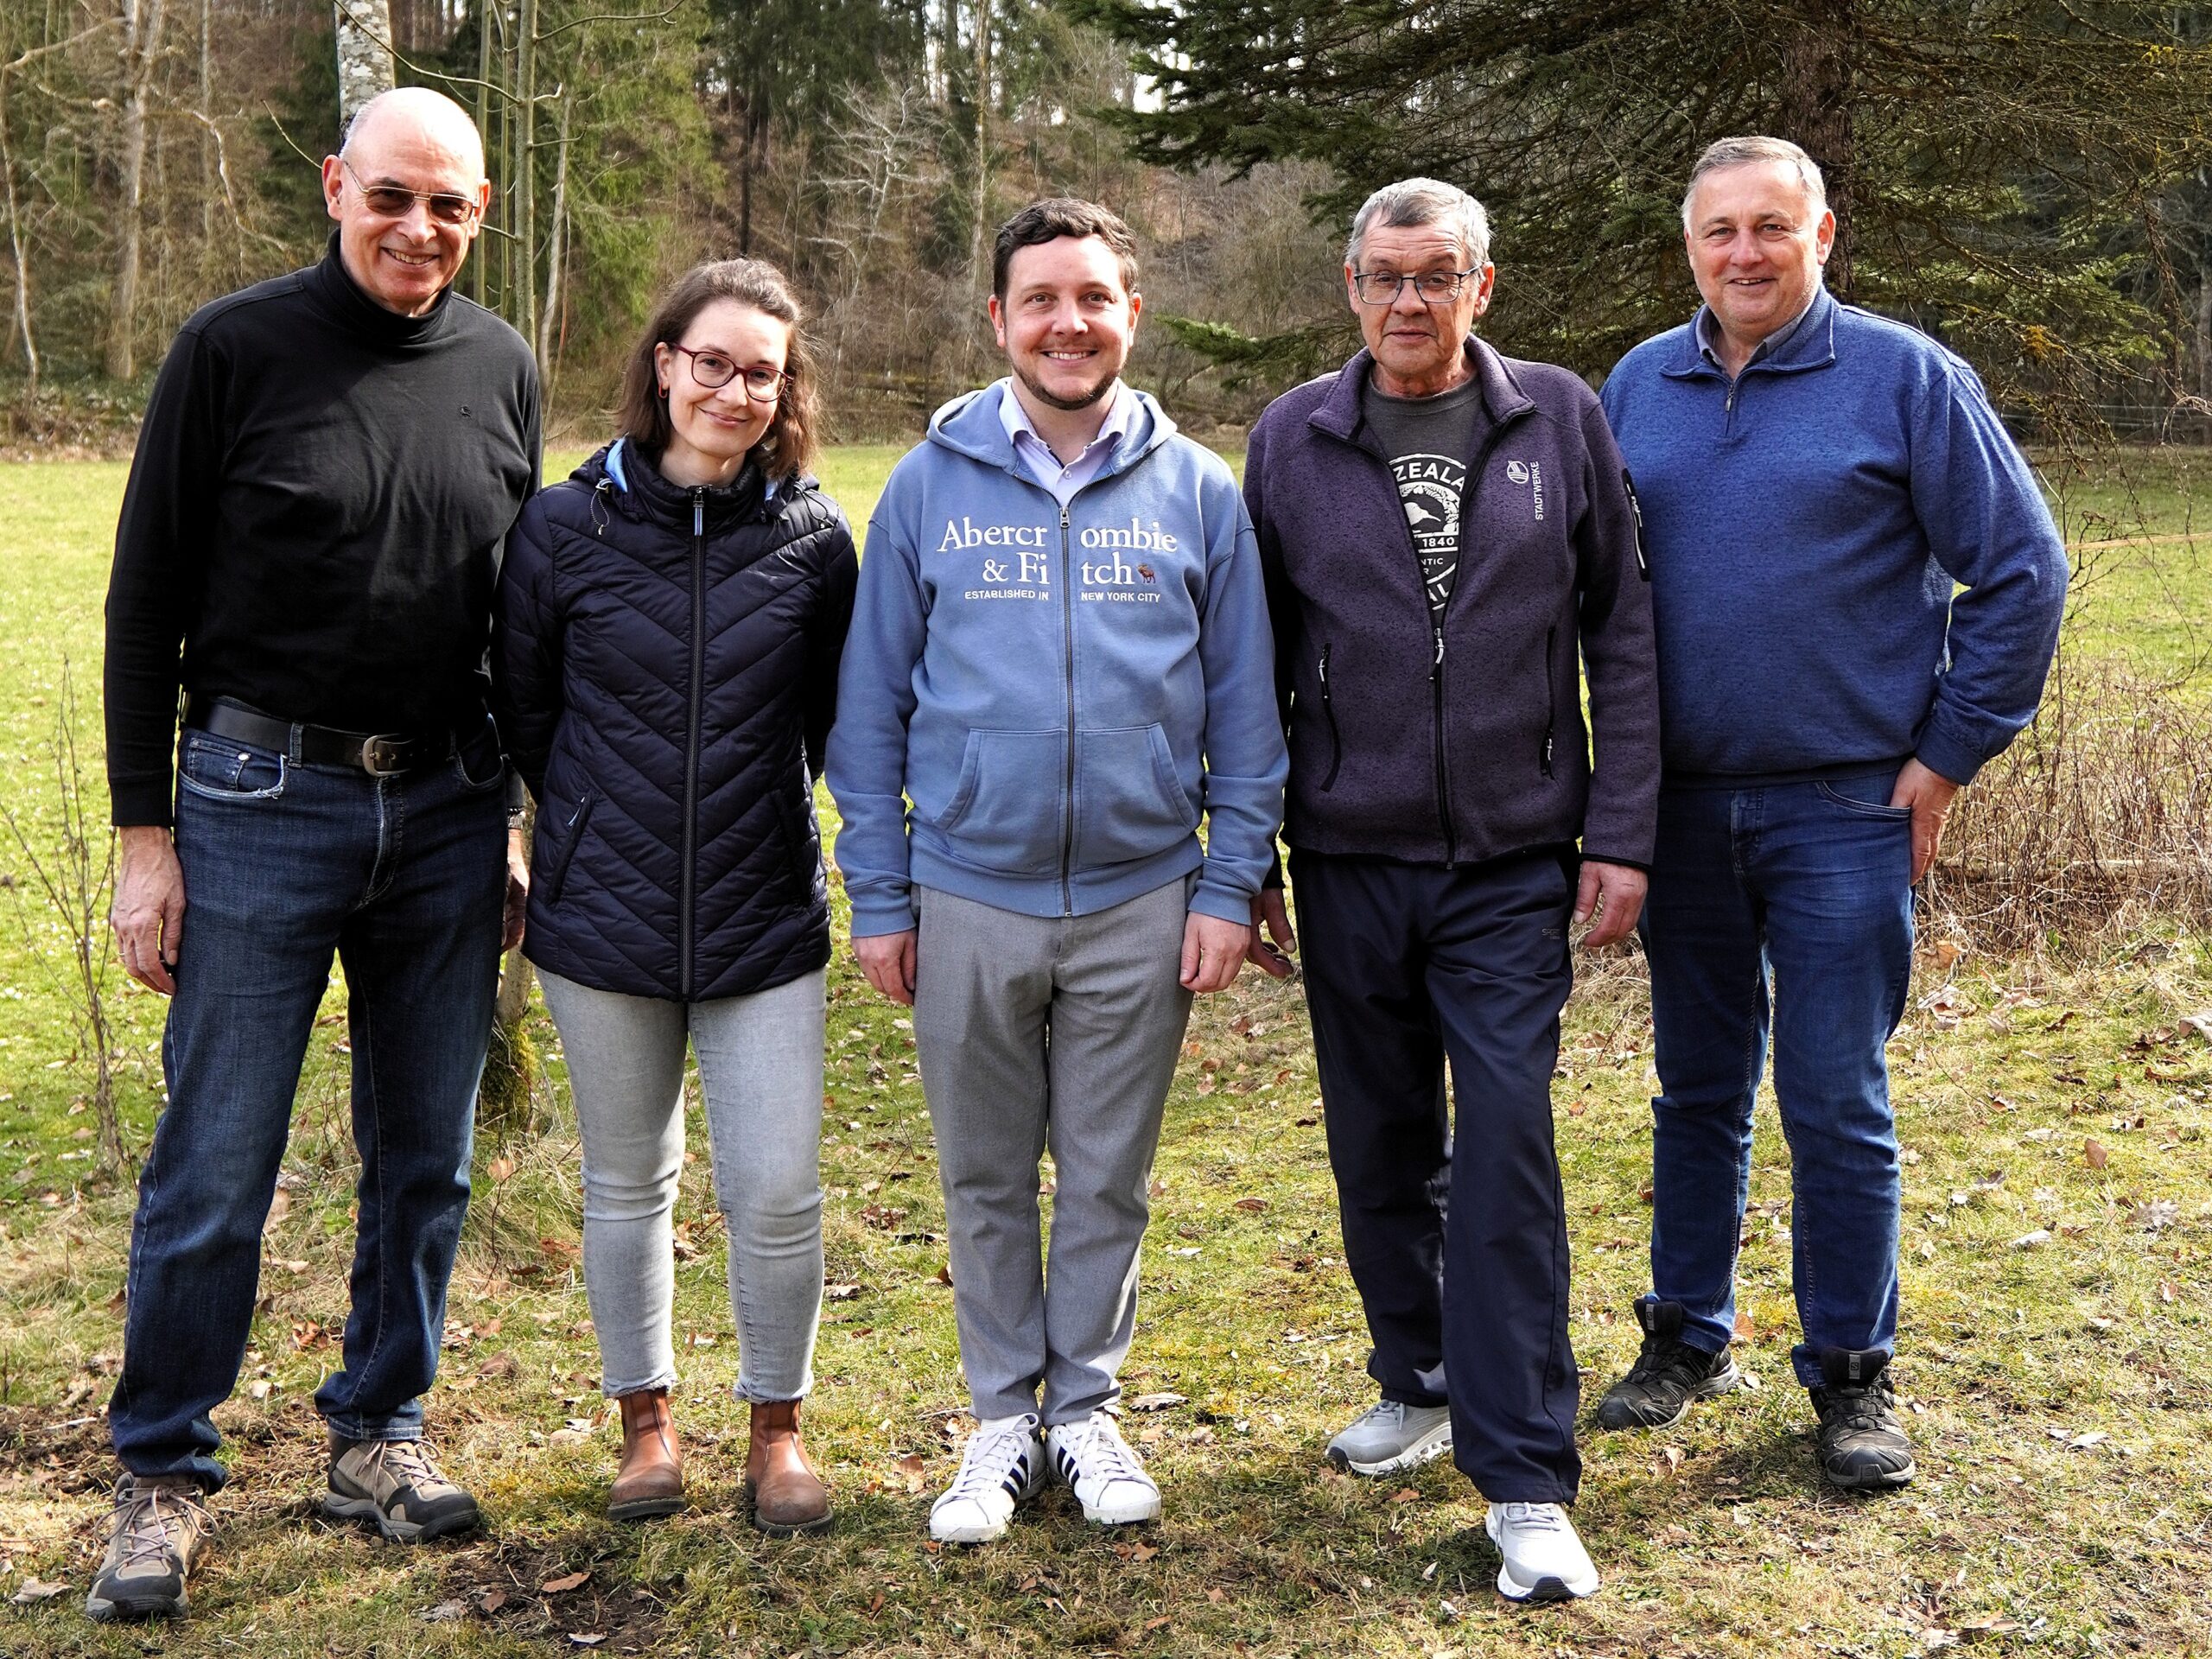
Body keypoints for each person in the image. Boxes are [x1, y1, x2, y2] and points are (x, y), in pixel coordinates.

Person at [96, 87, 538, 1622]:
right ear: (338, 185)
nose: (422, 229)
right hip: (254, 798)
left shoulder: (500, 366)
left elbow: (513, 620)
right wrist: (148, 841)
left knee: (427, 1155)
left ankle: (378, 1432)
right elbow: (141, 601)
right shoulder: (233, 350)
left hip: (445, 813)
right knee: (218, 1162)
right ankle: (160, 1469)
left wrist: (522, 816)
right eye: (396, 196)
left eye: (454, 207)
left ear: (482, 214)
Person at [1595, 136, 2067, 1489]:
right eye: (1718, 231)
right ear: (1690, 247)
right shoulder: (1642, 384)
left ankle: (1852, 1377)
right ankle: (1687, 1333)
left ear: (1823, 235)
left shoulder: (1905, 378)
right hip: (1680, 811)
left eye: (1770, 227)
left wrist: (1946, 758)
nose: (1744, 252)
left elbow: (2022, 573)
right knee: (1696, 1089)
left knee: (1833, 1095)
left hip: (1846, 809)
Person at [826, 198, 1287, 1544]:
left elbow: (1248, 716)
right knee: (980, 1175)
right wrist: (885, 892)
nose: (1068, 322)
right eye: (1041, 299)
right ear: (1000, 319)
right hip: (969, 889)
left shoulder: (1202, 489)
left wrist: (1225, 887)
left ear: (1130, 311)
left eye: (1093, 297)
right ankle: (996, 1421)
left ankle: (1082, 1409)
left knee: (1106, 1175)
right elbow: (869, 714)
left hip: (1145, 896)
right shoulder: (928, 484)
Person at [1243, 178, 1658, 1603]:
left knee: (1507, 1145)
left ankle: (1529, 1474)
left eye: (1437, 275)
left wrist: (1622, 827)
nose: (1408, 301)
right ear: (1349, 288)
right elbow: (1251, 663)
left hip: (1512, 855)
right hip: (1347, 850)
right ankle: (1415, 1375)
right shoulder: (1293, 438)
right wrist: (1249, 858)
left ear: (1484, 286)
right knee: (1378, 1142)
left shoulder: (1558, 416)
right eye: (1382, 276)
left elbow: (1623, 624)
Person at [493, 259, 856, 1533]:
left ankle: (778, 1430)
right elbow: (525, 710)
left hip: (764, 914)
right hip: (601, 919)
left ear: (784, 388)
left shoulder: (813, 538)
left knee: (775, 1189)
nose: (736, 390)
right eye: (713, 362)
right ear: (663, 365)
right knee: (626, 1182)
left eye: (763, 371)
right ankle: (645, 1425)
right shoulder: (563, 526)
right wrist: (572, 829)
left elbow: (829, 724)